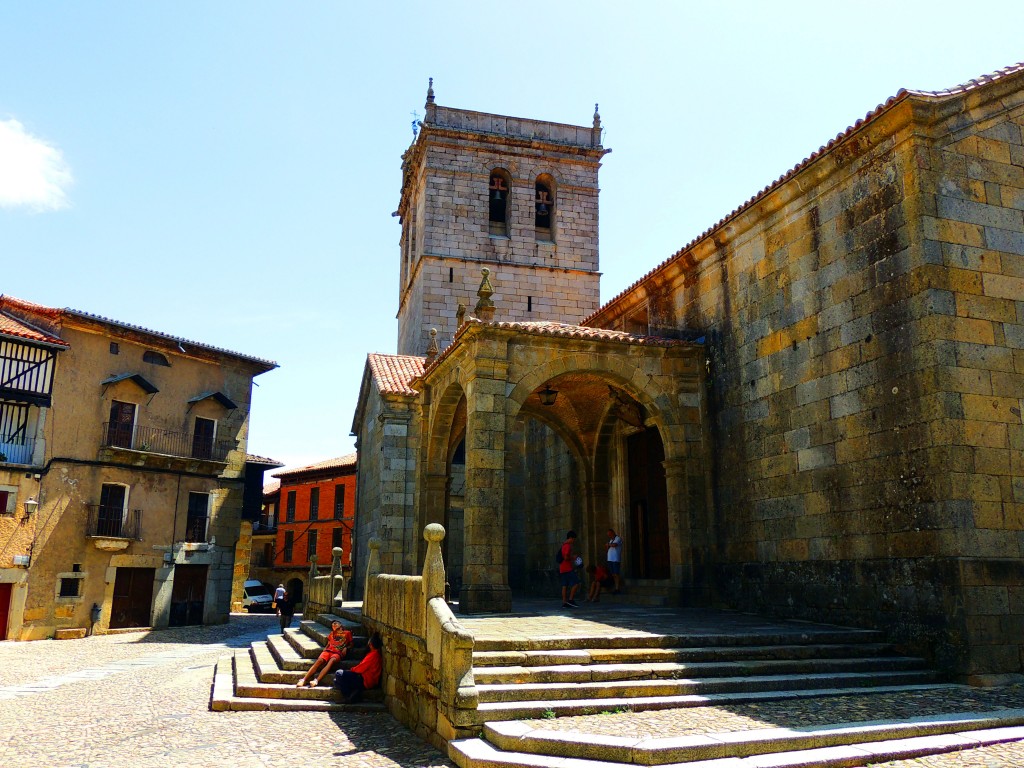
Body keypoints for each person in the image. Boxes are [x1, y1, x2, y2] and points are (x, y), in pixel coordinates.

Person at [296, 620, 352, 688]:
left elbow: (351, 644)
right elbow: (328, 644)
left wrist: (346, 648)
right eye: (332, 625)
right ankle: (303, 679)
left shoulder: (347, 633)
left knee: (332, 660)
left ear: (340, 625)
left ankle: (316, 680)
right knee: (319, 661)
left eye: (335, 624)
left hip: (338, 652)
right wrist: (325, 649)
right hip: (328, 651)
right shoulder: (331, 634)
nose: (334, 625)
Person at [334, 633, 383, 704]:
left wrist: (351, 670)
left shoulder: (373, 655)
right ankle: (355, 692)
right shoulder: (374, 654)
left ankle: (349, 697)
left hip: (365, 680)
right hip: (365, 679)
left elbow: (361, 668)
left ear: (371, 645)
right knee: (336, 681)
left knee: (339, 673)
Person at [559, 530, 580, 608]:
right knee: (576, 583)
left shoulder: (563, 545)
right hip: (567, 568)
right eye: (574, 539)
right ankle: (571, 600)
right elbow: (566, 557)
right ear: (570, 538)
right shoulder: (568, 546)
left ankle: (564, 602)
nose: (574, 541)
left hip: (562, 568)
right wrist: (573, 557)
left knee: (565, 585)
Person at [606, 528, 622, 593]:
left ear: (612, 533)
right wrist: (608, 546)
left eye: (609, 534)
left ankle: (617, 588)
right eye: (608, 535)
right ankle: (616, 587)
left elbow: (615, 545)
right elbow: (608, 549)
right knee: (613, 574)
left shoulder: (618, 538)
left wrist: (608, 544)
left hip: (615, 559)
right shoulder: (610, 540)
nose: (609, 536)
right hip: (610, 559)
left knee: (616, 573)